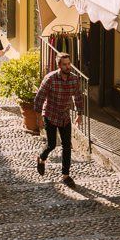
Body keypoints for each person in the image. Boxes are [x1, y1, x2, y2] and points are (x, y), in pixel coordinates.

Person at [34, 52, 83, 189]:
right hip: (50, 114)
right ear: (59, 65)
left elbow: (78, 96)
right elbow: (39, 98)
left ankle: (65, 175)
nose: (68, 67)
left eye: (69, 64)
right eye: (65, 65)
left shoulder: (74, 79)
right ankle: (41, 158)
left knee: (67, 145)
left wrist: (79, 114)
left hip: (64, 116)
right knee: (51, 144)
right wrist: (38, 118)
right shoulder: (50, 79)